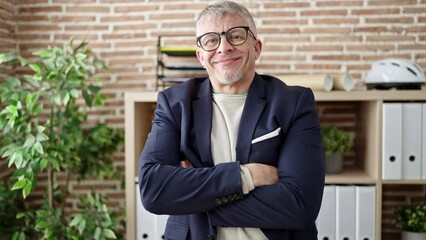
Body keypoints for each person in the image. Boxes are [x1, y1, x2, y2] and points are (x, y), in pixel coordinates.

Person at [138, 1, 325, 239]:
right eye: (210, 40)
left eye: (236, 36)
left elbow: (299, 205)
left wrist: (194, 199)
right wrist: (247, 176)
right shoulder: (175, 104)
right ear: (200, 56)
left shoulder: (293, 102)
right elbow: (153, 190)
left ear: (256, 47)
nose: (224, 47)